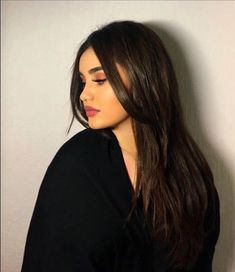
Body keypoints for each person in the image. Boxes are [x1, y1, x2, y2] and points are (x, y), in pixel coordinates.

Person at [21, 20, 220, 272]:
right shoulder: (77, 165)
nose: (84, 94)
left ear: (143, 78)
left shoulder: (191, 173)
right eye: (83, 81)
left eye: (100, 79)